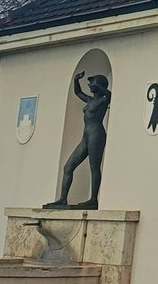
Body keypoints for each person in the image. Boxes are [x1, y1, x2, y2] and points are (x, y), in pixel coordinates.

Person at [44, 71, 110, 210]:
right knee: (68, 167)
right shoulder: (90, 100)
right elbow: (78, 92)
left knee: (94, 167)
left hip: (96, 134)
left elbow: (109, 95)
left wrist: (99, 86)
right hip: (86, 135)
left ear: (99, 85)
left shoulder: (103, 100)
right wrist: (76, 80)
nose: (89, 85)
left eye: (92, 83)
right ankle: (63, 199)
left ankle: (93, 199)